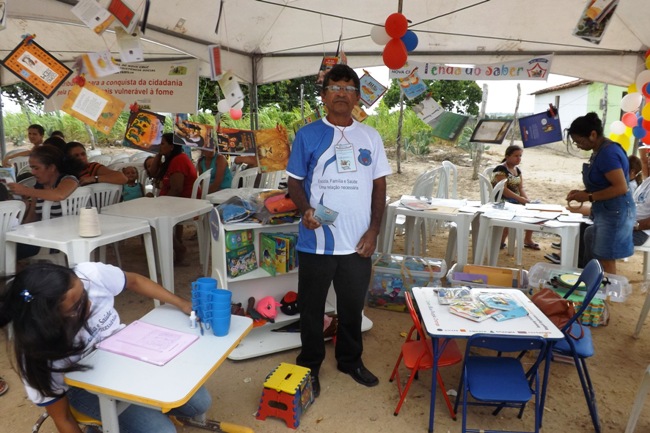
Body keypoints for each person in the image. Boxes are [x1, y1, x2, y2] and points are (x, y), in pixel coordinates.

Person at [0, 262, 215, 433]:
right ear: (49, 321)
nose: (90, 303)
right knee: (161, 431)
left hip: (124, 355)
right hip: (84, 388)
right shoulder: (38, 357)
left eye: (84, 292)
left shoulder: (89, 273)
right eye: (77, 306)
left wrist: (181, 303)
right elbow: (63, 418)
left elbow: (135, 281)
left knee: (198, 404)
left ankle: (124, 419)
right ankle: (105, 425)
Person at [286, 64, 392, 397]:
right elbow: (294, 181)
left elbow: (379, 186)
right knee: (311, 308)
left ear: (358, 97)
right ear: (324, 96)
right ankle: (310, 363)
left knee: (351, 307)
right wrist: (305, 209)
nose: (342, 94)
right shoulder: (307, 135)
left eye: (348, 88)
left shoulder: (370, 137)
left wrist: (374, 230)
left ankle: (350, 360)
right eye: (335, 87)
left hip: (357, 243)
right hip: (316, 242)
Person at [566, 112, 635, 274]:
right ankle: (598, 290)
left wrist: (589, 197)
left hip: (615, 213)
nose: (579, 146)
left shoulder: (608, 153)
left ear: (593, 134)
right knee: (599, 254)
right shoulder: (600, 151)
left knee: (606, 259)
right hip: (606, 211)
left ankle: (608, 297)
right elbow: (604, 183)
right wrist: (583, 192)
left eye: (579, 141)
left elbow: (620, 188)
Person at [153, 133, 198, 264]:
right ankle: (175, 243)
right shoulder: (171, 159)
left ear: (171, 147)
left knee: (153, 217)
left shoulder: (179, 160)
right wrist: (158, 154)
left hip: (184, 202)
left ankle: (177, 247)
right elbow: (153, 173)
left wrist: (160, 203)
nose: (159, 146)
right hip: (179, 200)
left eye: (162, 144)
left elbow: (177, 189)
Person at [492, 145, 538, 250]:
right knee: (513, 213)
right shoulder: (501, 169)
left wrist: (526, 200)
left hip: (515, 199)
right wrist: (521, 200)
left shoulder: (518, 170)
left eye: (520, 156)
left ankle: (528, 239)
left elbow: (521, 188)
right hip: (502, 200)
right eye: (516, 156)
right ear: (507, 156)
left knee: (535, 208)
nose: (519, 158)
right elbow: (504, 190)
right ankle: (500, 241)